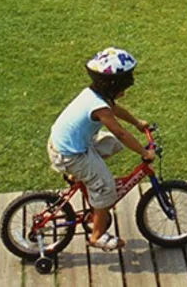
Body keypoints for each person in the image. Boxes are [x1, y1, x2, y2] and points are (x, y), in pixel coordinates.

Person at [48, 48, 154, 252]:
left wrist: (137, 123)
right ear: (113, 85)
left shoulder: (96, 96)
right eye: (125, 84)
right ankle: (97, 236)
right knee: (107, 187)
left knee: (112, 143)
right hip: (70, 154)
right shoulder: (99, 107)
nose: (127, 88)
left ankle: (81, 179)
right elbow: (121, 132)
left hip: (67, 143)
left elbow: (116, 110)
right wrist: (144, 152)